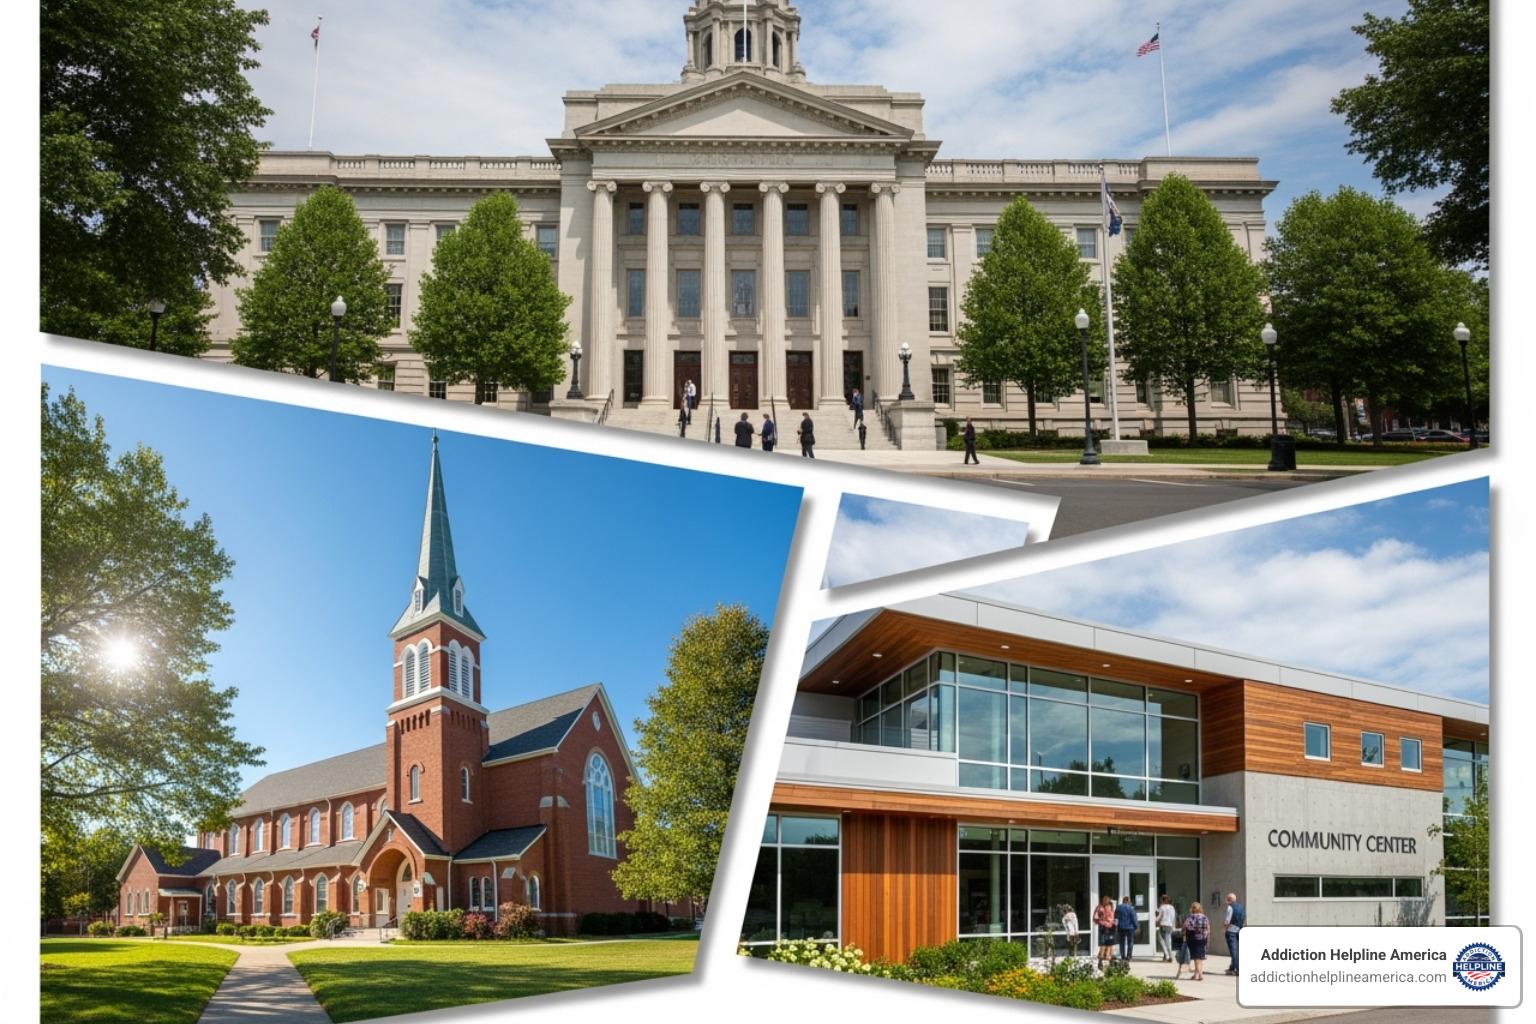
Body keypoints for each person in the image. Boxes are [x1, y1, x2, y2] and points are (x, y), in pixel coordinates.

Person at [1182, 900, 1210, 981]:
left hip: (1193, 939)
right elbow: (1208, 930)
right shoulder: (1205, 917)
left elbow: (1185, 927)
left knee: (1196, 958)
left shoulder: (1190, 917)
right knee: (1200, 958)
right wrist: (1206, 940)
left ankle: (1200, 974)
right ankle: (1196, 974)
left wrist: (1183, 935)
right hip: (1202, 939)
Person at [1224, 892, 1245, 975]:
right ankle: (1232, 967)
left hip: (1231, 931)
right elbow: (1244, 920)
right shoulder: (1241, 907)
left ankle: (1237, 969)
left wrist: (1224, 928)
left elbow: (1227, 920)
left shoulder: (1230, 907)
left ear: (1228, 899)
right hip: (1239, 930)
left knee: (1233, 951)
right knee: (1235, 950)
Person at [1092, 895, 1116, 968]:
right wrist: (1101, 920)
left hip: (1109, 926)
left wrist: (1113, 923)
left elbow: (1112, 917)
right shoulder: (1100, 908)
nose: (1106, 902)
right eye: (1106, 900)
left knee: (1108, 942)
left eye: (1107, 900)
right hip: (1105, 927)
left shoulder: (1108, 907)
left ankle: (1108, 957)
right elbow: (1095, 918)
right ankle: (1102, 959)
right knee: (1105, 943)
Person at [1114, 894, 1137, 961]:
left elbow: (1116, 918)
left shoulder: (1118, 908)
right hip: (1130, 927)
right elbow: (1133, 918)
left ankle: (1123, 957)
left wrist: (1116, 926)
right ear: (1128, 901)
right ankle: (1129, 956)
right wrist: (1136, 927)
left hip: (1121, 927)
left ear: (1123, 901)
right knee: (1130, 942)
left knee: (1122, 942)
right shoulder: (1131, 908)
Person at [1156, 894, 1177, 963]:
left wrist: (1154, 920)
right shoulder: (1172, 907)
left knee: (1162, 941)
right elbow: (1173, 918)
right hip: (1170, 925)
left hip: (1163, 925)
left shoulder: (1162, 907)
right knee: (1168, 941)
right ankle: (1168, 956)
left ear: (1162, 900)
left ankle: (1167, 956)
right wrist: (1174, 926)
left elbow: (1159, 916)